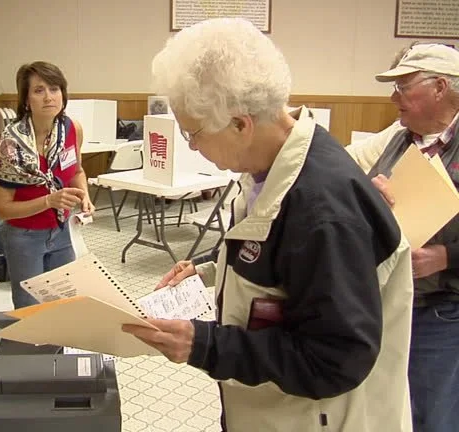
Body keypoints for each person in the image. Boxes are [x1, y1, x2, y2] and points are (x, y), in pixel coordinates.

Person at [122, 18, 414, 432]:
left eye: (193, 134)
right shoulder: (270, 166)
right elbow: (277, 254)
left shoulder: (322, 211)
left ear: (241, 124)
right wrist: (207, 266)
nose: (193, 147)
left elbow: (336, 360)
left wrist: (202, 345)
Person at [344, 42, 459, 432]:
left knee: (433, 414)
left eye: (403, 86)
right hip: (392, 302)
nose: (393, 98)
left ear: (440, 87)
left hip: (441, 310)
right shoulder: (402, 138)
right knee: (391, 408)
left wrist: (445, 256)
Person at [0, 61, 94, 309]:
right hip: (24, 237)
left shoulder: (71, 129)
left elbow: (76, 171)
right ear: (26, 100)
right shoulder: (11, 144)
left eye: (54, 88)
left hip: (61, 230)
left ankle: (60, 348)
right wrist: (49, 201)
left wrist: (85, 196)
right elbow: (2, 209)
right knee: (31, 309)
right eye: (39, 90)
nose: (49, 97)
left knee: (65, 303)